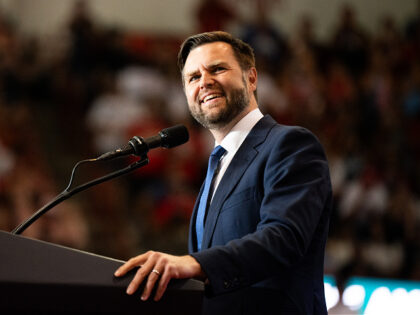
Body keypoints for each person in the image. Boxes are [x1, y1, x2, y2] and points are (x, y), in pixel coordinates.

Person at [114, 31, 333, 315]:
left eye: (217, 69)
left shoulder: (290, 144)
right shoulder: (216, 168)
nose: (204, 81)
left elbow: (284, 236)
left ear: (251, 78)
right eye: (193, 77)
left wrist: (195, 263)